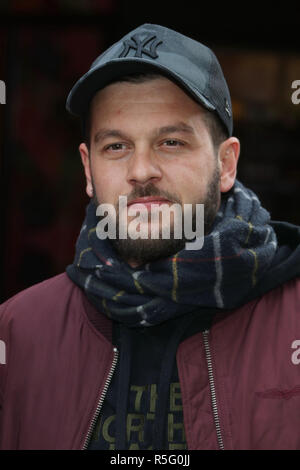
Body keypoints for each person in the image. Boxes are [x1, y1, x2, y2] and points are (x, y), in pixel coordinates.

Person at [1, 23, 300, 451]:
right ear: (88, 170)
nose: (141, 171)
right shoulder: (18, 334)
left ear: (226, 164)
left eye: (171, 142)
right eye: (117, 147)